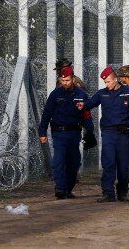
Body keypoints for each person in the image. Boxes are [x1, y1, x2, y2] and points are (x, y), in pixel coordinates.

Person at [77, 66, 129, 202]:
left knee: (123, 164)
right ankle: (108, 193)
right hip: (108, 133)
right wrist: (80, 105)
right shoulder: (102, 93)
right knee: (108, 163)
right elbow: (89, 104)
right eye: (105, 82)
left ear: (116, 79)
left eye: (109, 81)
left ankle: (122, 192)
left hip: (124, 133)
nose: (107, 84)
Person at [39, 66, 94, 199]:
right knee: (59, 160)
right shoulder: (55, 94)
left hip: (75, 133)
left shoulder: (81, 94)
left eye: (67, 80)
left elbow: (86, 115)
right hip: (59, 133)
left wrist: (90, 131)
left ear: (73, 79)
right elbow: (47, 114)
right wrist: (42, 132)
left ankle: (68, 189)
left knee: (74, 162)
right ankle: (60, 188)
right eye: (63, 80)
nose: (65, 83)